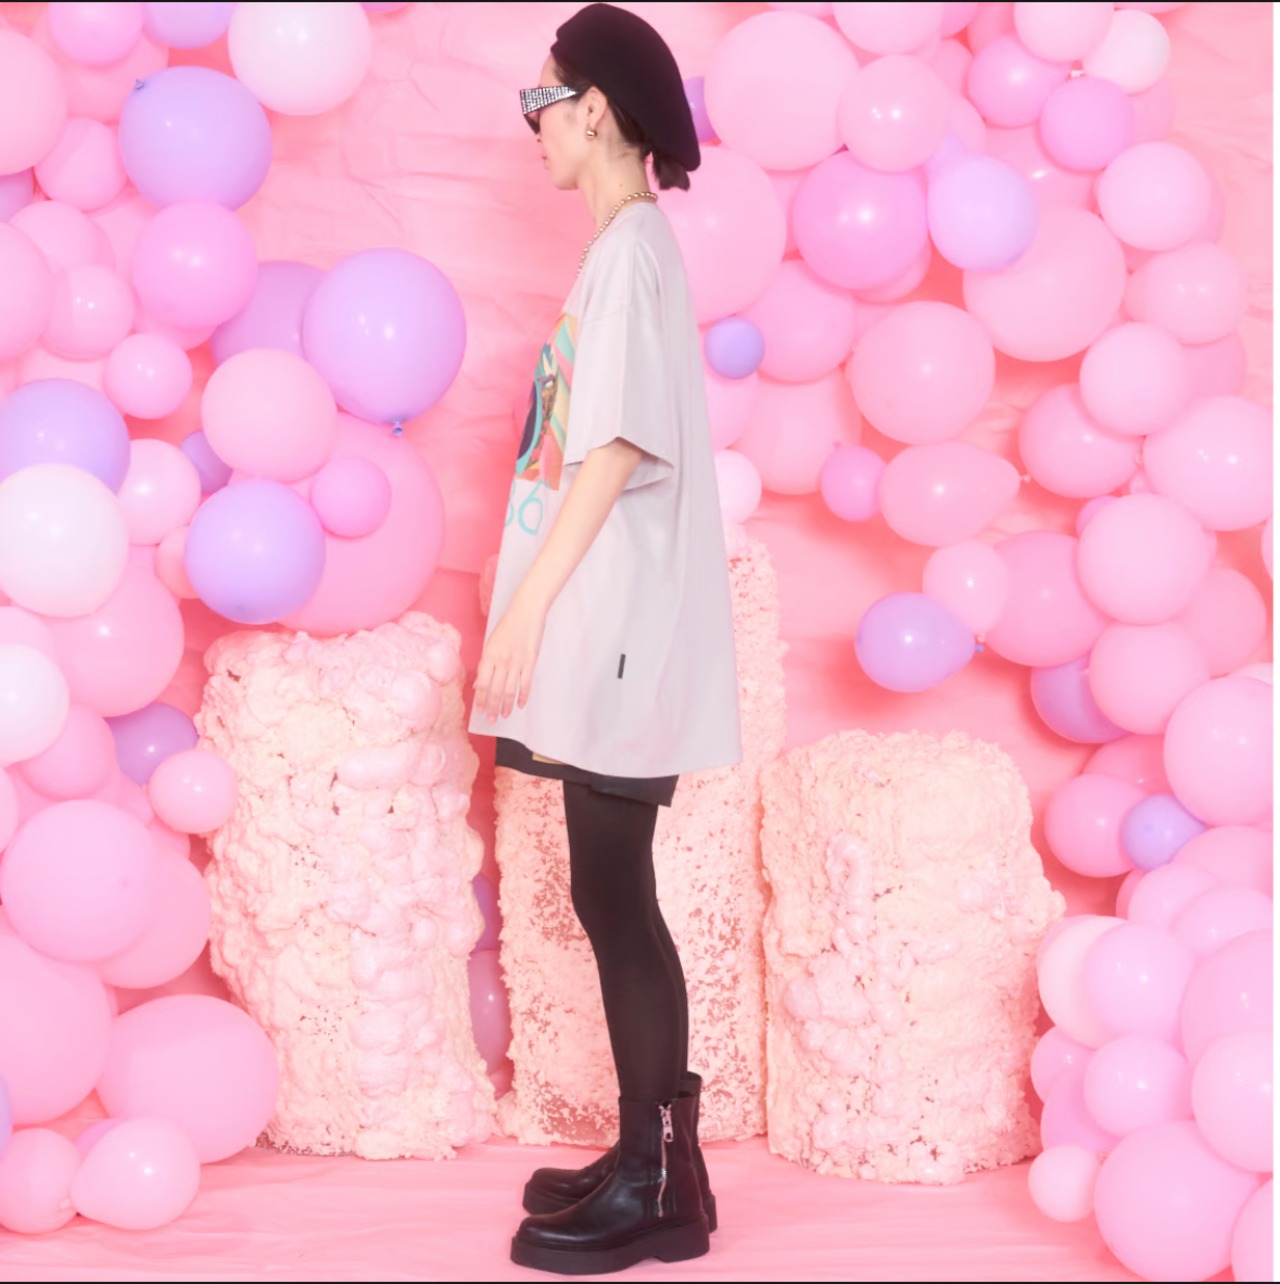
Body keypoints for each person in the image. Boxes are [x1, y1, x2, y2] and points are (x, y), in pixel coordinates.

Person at [466, 2, 743, 1273]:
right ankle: (660, 1161)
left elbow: (619, 446)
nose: (530, 125)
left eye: (541, 102)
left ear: (592, 111)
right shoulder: (621, 253)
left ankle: (656, 1185)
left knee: (615, 895)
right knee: (607, 889)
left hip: (619, 629)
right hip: (611, 625)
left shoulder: (630, 251)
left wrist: (526, 608)